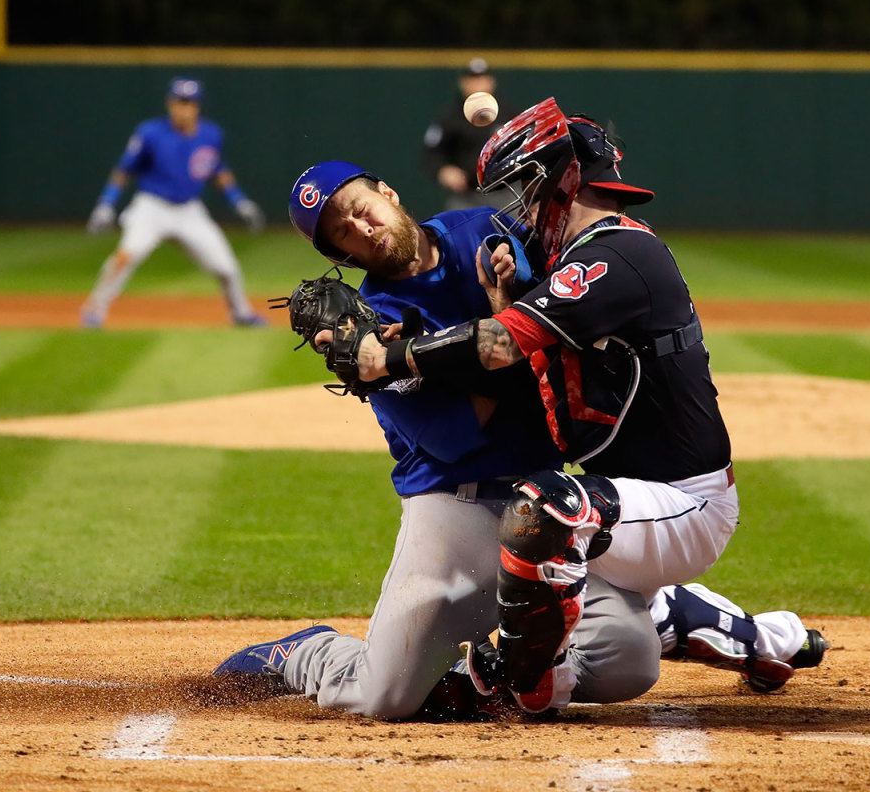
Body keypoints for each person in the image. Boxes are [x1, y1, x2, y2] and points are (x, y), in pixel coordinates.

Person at [306, 98, 828, 712]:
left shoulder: (506, 236)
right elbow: (455, 436)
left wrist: (397, 356)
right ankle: (303, 655)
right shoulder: (370, 320)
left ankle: (555, 651)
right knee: (384, 696)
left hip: (552, 501)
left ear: (388, 194)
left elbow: (513, 339)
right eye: (342, 231)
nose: (360, 227)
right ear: (339, 256)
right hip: (456, 512)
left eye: (359, 208)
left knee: (627, 661)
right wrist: (414, 350)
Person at [80, 77, 268, 328]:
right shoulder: (150, 133)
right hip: (151, 207)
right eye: (179, 102)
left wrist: (239, 201)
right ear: (170, 104)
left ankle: (241, 313)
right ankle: (95, 309)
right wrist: (106, 203)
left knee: (227, 268)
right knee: (126, 256)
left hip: (189, 210)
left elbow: (217, 170)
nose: (183, 108)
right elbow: (124, 170)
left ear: (197, 106)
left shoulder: (211, 134)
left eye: (189, 103)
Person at [421, 58, 520, 211]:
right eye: (472, 79)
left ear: (491, 82)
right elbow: (431, 152)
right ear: (463, 83)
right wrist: (443, 170)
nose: (477, 84)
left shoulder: (508, 113)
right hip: (466, 195)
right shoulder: (450, 117)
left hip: (506, 193)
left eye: (482, 78)